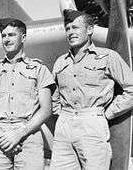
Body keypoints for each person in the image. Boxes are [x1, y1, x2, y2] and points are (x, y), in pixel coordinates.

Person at [50, 10, 133, 170]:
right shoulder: (60, 62)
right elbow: (54, 94)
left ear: (89, 30)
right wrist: (60, 114)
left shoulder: (108, 56)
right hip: (64, 125)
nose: (70, 32)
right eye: (67, 29)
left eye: (75, 27)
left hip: (92, 123)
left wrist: (107, 113)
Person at [0, 18, 55, 170]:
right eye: (4, 36)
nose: (7, 39)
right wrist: (2, 137)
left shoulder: (39, 69)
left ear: (23, 37)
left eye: (11, 35)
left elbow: (46, 109)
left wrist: (19, 134)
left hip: (29, 134)